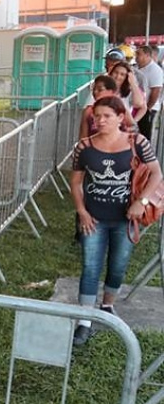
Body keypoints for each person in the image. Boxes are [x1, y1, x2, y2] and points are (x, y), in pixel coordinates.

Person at [70, 96, 162, 347]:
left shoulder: (137, 142)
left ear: (121, 118)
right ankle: (85, 320)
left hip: (126, 219)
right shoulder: (84, 147)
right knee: (90, 266)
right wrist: (82, 211)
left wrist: (141, 202)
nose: (100, 120)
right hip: (94, 219)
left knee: (118, 265)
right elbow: (76, 182)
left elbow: (156, 173)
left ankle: (108, 305)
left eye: (106, 116)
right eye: (96, 116)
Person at [135, 45, 163, 139]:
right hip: (139, 107)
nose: (136, 56)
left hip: (149, 108)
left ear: (147, 55)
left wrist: (148, 109)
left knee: (145, 134)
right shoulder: (139, 68)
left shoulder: (155, 70)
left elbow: (156, 91)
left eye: (139, 54)